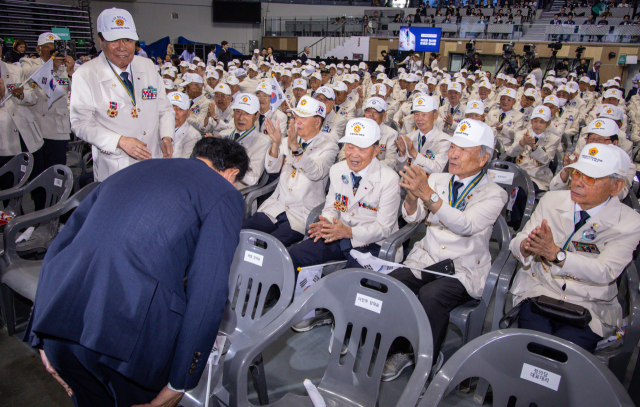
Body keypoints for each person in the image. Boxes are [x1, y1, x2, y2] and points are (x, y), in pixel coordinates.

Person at [25, 137, 249, 407]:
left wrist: (40, 330)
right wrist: (182, 380)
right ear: (232, 173)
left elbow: (63, 244)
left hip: (60, 321)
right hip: (124, 340)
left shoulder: (134, 170)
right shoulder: (223, 193)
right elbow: (208, 293)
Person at [382, 119, 507, 381]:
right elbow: (412, 218)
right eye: (452, 148)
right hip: (426, 259)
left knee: (431, 296)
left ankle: (426, 358)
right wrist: (413, 198)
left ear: (483, 159)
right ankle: (397, 347)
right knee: (392, 285)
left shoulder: (494, 193)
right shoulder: (438, 179)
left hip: (461, 267)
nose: (453, 154)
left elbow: (466, 225)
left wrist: (427, 195)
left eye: (463, 150)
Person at [509, 143, 640, 353]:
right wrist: (526, 246)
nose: (578, 182)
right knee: (534, 344)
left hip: (589, 303)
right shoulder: (551, 201)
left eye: (590, 178)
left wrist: (557, 254)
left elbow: (606, 271)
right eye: (577, 173)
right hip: (541, 290)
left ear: (616, 187)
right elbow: (518, 242)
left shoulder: (630, 223)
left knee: (566, 351)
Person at [70, 8, 174, 182]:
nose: (122, 47)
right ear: (100, 40)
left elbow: (164, 108)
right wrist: (119, 141)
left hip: (152, 161)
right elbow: (80, 123)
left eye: (127, 40)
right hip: (115, 167)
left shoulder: (147, 65)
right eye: (114, 41)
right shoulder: (86, 74)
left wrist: (167, 136)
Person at [288, 116, 401, 275]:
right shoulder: (337, 169)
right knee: (296, 255)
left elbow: (384, 229)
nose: (354, 155)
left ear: (376, 151)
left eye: (362, 149)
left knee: (349, 279)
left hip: (373, 244)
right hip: (338, 234)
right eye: (350, 147)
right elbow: (331, 207)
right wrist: (326, 221)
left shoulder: (389, 179)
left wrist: (348, 232)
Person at [242, 95, 339, 247]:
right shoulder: (288, 140)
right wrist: (275, 143)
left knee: (268, 247)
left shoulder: (329, 147)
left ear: (317, 121)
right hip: (276, 206)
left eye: (304, 117)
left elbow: (316, 173)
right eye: (296, 115)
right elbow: (271, 167)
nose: (297, 120)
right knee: (242, 233)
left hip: (301, 213)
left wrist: (296, 148)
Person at [21, 32, 74, 171]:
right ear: (38, 49)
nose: (52, 49)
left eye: (55, 46)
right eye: (47, 46)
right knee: (37, 173)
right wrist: (51, 65)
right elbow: (26, 74)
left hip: (58, 128)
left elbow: (78, 92)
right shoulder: (29, 63)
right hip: (36, 129)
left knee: (57, 172)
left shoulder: (65, 67)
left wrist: (71, 72)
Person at [0, 49, 46, 209]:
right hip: (4, 143)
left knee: (38, 183)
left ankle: (43, 221)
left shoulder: (15, 70)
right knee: (9, 190)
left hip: (27, 136)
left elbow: (32, 97)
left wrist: (21, 95)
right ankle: (14, 228)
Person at [506, 106, 560, 192]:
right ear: (531, 121)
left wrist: (534, 147)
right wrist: (521, 143)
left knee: (520, 192)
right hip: (519, 174)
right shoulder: (521, 134)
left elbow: (546, 159)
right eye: (535, 121)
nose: (538, 125)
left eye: (542, 122)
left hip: (538, 177)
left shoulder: (553, 139)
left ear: (548, 123)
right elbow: (510, 153)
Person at [396, 95, 451, 174]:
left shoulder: (444, 140)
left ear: (435, 116)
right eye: (416, 114)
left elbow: (437, 169)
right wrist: (401, 155)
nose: (419, 118)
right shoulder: (409, 137)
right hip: (408, 183)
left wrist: (414, 152)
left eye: (424, 114)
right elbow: (400, 169)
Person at [167, 91, 202, 158]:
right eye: (171, 108)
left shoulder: (193, 135)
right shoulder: (155, 129)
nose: (175, 113)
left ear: (188, 113)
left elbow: (185, 164)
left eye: (180, 109)